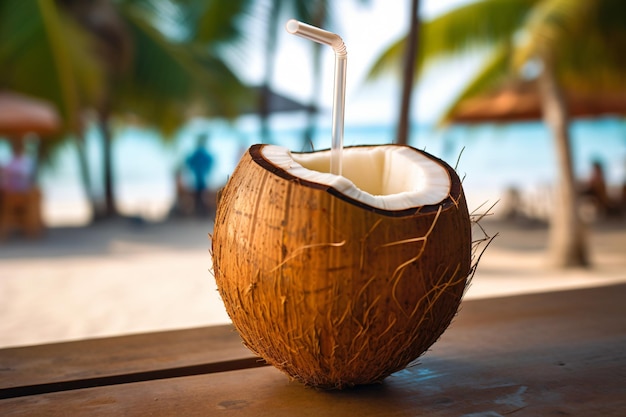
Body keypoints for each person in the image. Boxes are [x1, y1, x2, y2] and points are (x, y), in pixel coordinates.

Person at [185, 133, 214, 216]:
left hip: (199, 178)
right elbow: (209, 161)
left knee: (200, 195)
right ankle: (200, 212)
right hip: (200, 178)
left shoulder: (198, 153)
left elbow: (189, 162)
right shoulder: (201, 154)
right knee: (201, 195)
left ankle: (199, 211)